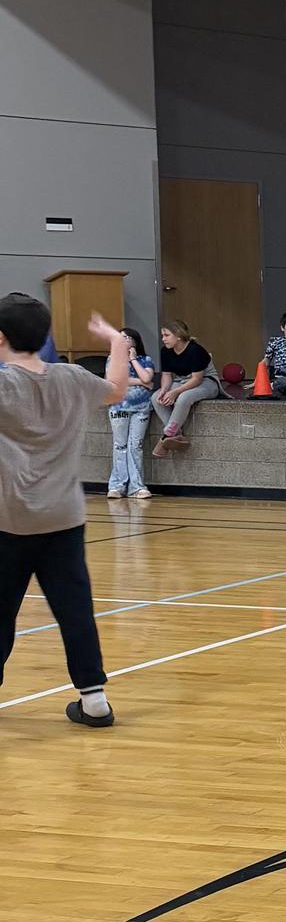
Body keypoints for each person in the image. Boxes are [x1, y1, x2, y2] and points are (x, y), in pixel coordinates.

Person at [0, 293, 132, 727]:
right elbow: (117, 389)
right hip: (64, 518)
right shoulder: (73, 377)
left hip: (9, 520)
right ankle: (94, 700)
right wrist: (117, 342)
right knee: (75, 610)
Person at [153, 320, 217, 456]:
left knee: (183, 398)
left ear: (178, 336)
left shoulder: (195, 350)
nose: (163, 339)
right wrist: (164, 390)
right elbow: (166, 375)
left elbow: (197, 379)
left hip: (206, 381)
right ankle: (175, 433)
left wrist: (175, 392)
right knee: (155, 397)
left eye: (166, 335)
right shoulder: (165, 351)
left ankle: (166, 436)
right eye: (162, 335)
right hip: (182, 380)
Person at [107, 328, 156, 500]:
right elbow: (115, 379)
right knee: (120, 445)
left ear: (134, 341)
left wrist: (133, 359)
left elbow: (147, 377)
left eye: (126, 338)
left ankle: (137, 486)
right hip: (119, 407)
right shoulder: (113, 359)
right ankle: (117, 485)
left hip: (141, 407)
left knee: (136, 446)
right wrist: (141, 382)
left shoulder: (146, 360)